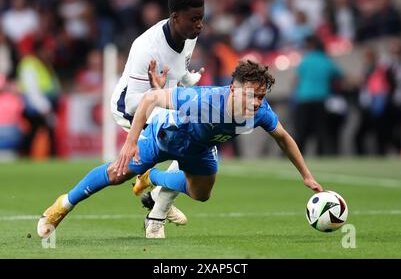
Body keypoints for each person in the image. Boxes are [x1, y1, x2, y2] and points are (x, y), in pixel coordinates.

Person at [37, 60, 323, 240]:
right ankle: (62, 206)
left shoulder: (260, 113)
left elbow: (283, 138)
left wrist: (306, 176)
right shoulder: (203, 100)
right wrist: (131, 142)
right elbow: (150, 100)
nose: (257, 102)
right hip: (166, 136)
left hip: (199, 149)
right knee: (117, 175)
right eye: (251, 94)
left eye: (261, 96)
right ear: (234, 90)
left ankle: (153, 179)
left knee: (201, 195)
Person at [112, 0, 205, 226]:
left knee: (199, 139)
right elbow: (135, 101)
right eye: (194, 19)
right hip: (130, 109)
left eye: (201, 18)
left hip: (162, 102)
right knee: (192, 142)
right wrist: (158, 93)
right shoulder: (147, 48)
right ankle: (158, 201)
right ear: (175, 18)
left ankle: (156, 199)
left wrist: (188, 79)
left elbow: (179, 68)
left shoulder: (189, 35)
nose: (200, 25)